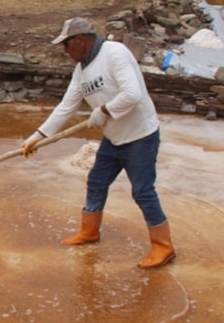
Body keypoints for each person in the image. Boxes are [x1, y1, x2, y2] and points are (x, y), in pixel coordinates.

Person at [21, 17, 175, 269]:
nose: (65, 51)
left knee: (143, 191)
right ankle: (89, 231)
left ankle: (163, 247)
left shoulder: (114, 54)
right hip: (114, 138)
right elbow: (66, 106)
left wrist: (104, 110)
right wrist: (38, 136)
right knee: (96, 181)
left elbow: (133, 94)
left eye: (66, 45)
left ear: (80, 40)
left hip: (140, 136)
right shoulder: (81, 71)